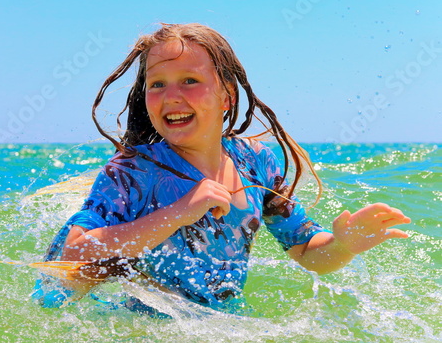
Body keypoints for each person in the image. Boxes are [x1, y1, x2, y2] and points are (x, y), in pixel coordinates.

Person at [31, 23, 410, 313]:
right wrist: (179, 212)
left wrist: (342, 245)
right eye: (157, 84)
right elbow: (76, 252)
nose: (171, 96)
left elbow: (307, 251)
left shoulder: (256, 162)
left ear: (226, 95)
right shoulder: (132, 172)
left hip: (221, 324)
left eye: (190, 81)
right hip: (145, 327)